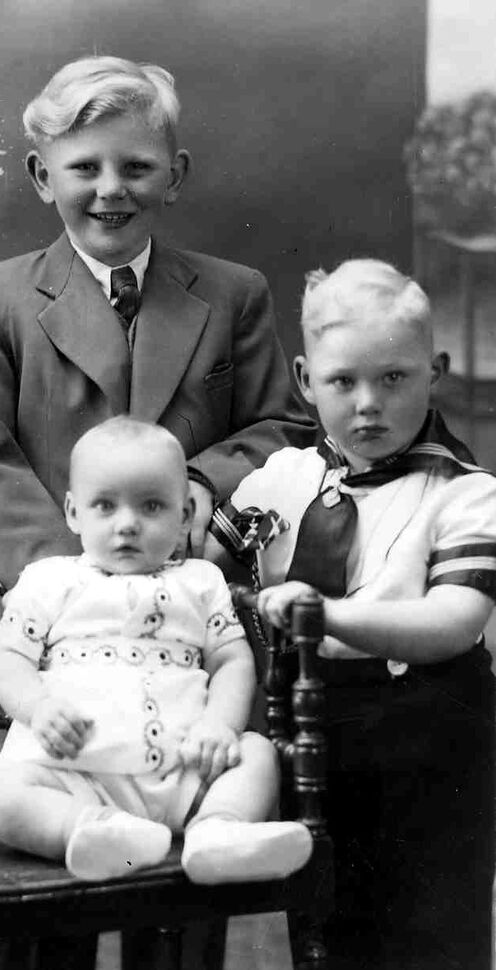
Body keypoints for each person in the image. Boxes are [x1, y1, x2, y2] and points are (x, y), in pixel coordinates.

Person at [0, 54, 314, 706]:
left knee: (208, 760)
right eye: (85, 168)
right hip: (47, 628)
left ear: (175, 175)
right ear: (42, 177)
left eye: (137, 167)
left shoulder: (234, 294)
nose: (111, 189)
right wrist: (82, 588)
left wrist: (200, 482)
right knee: (53, 770)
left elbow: (281, 428)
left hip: (197, 621)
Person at [208, 260, 496, 969]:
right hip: (309, 725)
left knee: (430, 933)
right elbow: (204, 571)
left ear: (436, 372)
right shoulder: (280, 478)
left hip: (429, 730)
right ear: (306, 380)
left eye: (394, 377)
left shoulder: (464, 493)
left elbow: (454, 621)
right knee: (331, 929)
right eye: (343, 382)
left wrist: (328, 618)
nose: (369, 404)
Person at [0, 417, 313, 884]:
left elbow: (231, 659)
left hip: (185, 768)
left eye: (151, 506)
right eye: (105, 506)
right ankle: (96, 831)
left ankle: (217, 829)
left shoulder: (201, 581)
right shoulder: (48, 580)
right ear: (73, 512)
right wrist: (38, 707)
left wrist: (219, 723)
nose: (128, 524)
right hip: (78, 771)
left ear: (184, 515)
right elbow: (9, 658)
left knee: (256, 753)